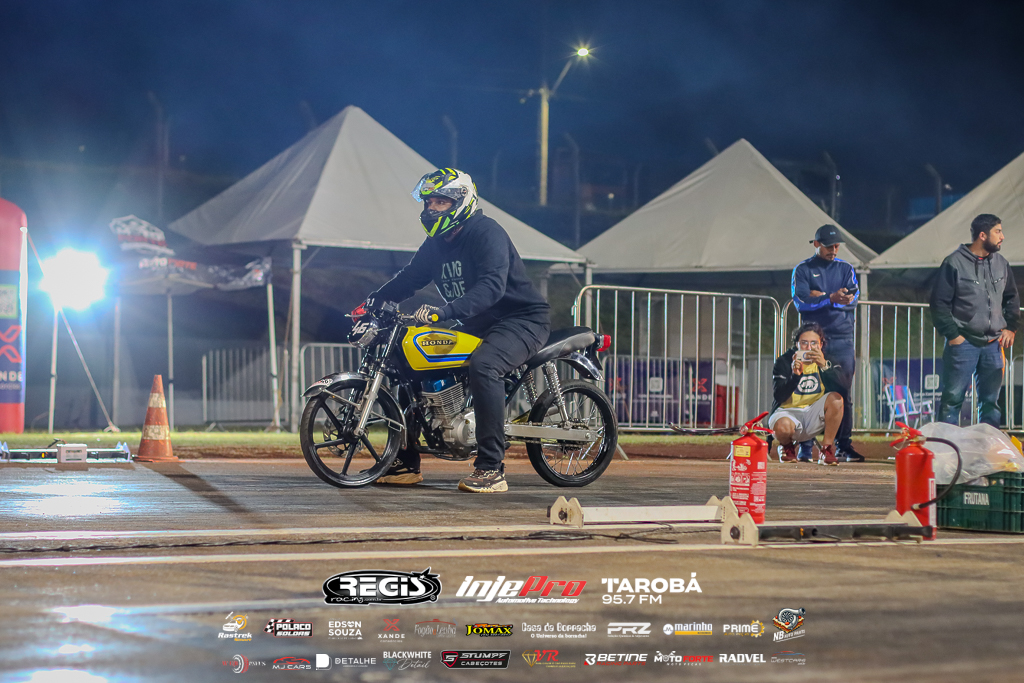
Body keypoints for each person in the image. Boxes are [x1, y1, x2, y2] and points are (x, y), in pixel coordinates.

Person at [364, 168, 550, 493]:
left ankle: (491, 468)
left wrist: (444, 311)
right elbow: (410, 278)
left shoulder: (486, 232)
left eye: (440, 201)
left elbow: (492, 286)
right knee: (410, 365)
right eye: (429, 202)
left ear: (461, 201)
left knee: (485, 365)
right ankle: (405, 462)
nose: (431, 208)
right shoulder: (436, 243)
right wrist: (374, 301)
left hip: (521, 319)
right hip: (476, 323)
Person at [930, 213, 1019, 427]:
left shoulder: (1001, 263)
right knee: (952, 400)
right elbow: (939, 303)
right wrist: (953, 335)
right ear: (982, 235)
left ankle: (987, 445)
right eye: (998, 231)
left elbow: (1012, 298)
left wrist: (1011, 327)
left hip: (994, 344)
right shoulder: (954, 263)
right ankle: (947, 444)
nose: (1002, 236)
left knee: (991, 403)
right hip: (963, 343)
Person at [790, 224, 865, 462]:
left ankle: (843, 446)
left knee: (843, 392)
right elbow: (802, 303)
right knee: (808, 390)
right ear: (816, 244)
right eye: (828, 246)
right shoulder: (803, 269)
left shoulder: (846, 268)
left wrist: (820, 297)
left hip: (842, 339)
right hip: (813, 339)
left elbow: (852, 301)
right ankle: (805, 447)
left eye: (836, 246)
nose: (833, 250)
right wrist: (831, 298)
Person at [769, 322, 850, 466]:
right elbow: (779, 396)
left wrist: (824, 366)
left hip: (814, 413)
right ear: (797, 345)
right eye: (804, 343)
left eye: (814, 343)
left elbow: (843, 389)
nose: (809, 347)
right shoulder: (784, 361)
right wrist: (795, 376)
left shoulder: (828, 360)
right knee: (782, 426)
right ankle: (787, 447)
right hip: (789, 412)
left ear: (821, 345)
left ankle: (826, 449)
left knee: (837, 400)